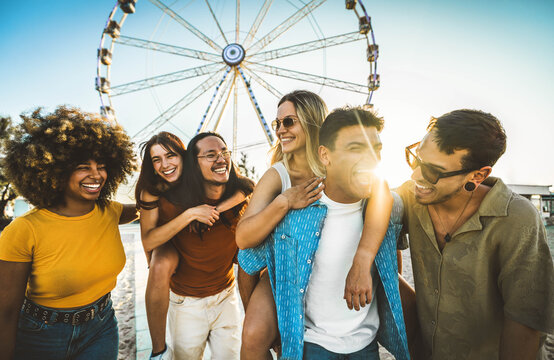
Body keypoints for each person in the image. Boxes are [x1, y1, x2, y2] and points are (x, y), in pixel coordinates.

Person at [239, 106, 410, 359]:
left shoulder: (388, 204)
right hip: (313, 344)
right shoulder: (289, 202)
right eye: (356, 148)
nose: (371, 159)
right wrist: (264, 317)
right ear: (325, 155)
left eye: (377, 149)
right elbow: (246, 254)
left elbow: (387, 204)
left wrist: (365, 263)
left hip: (366, 345)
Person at [396, 109, 554, 359]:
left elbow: (524, 323)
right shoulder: (409, 196)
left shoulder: (517, 219)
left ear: (478, 175)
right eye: (416, 159)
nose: (415, 175)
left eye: (433, 171)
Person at [0, 106, 137, 360]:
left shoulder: (110, 211)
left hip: (102, 326)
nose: (96, 175)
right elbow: (6, 311)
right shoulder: (23, 229)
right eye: (83, 166)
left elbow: (144, 208)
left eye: (102, 165)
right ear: (56, 169)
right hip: (41, 335)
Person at [134, 132, 247, 360]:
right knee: (160, 262)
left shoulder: (229, 190)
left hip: (226, 296)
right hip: (186, 301)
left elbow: (248, 186)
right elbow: (148, 240)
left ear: (184, 158)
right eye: (157, 159)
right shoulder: (158, 194)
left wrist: (218, 210)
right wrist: (190, 214)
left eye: (171, 156)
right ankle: (158, 352)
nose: (165, 164)